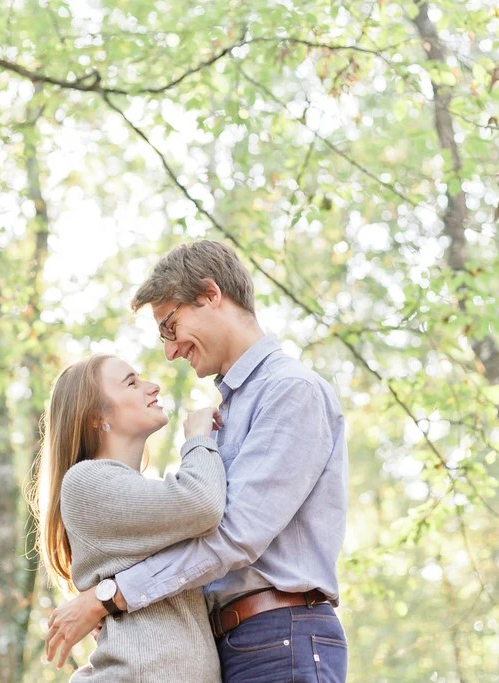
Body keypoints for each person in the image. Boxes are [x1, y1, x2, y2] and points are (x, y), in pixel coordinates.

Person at [46, 240, 349, 681]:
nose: (169, 351)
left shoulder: (289, 390)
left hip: (280, 634)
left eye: (170, 326)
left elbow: (236, 534)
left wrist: (109, 598)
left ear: (210, 294)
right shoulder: (226, 414)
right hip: (235, 642)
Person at [34, 353, 228, 681]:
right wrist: (197, 440)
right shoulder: (87, 482)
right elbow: (202, 503)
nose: (152, 387)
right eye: (132, 382)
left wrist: (102, 599)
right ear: (95, 416)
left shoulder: (133, 492)